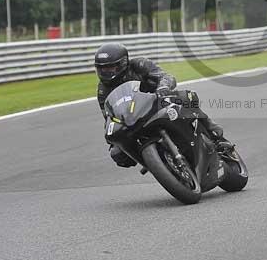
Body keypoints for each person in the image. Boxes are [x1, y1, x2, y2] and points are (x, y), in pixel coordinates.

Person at [94, 42, 226, 167]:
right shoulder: (102, 90)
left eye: (110, 68)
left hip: (157, 102)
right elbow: (109, 116)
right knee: (117, 152)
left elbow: (166, 76)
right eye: (102, 69)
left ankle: (212, 130)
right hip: (135, 119)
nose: (106, 72)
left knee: (185, 97)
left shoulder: (139, 64)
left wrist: (163, 88)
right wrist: (113, 141)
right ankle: (155, 164)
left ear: (123, 63)